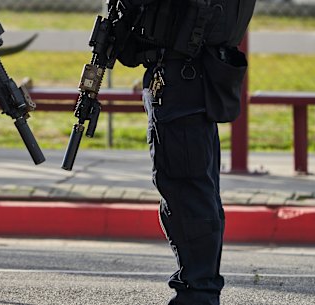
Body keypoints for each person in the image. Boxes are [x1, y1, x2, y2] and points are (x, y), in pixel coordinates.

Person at [116, 0, 255, 304]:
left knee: (187, 191)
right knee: (191, 190)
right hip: (186, 72)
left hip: (182, 74)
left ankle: (198, 295)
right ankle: (199, 290)